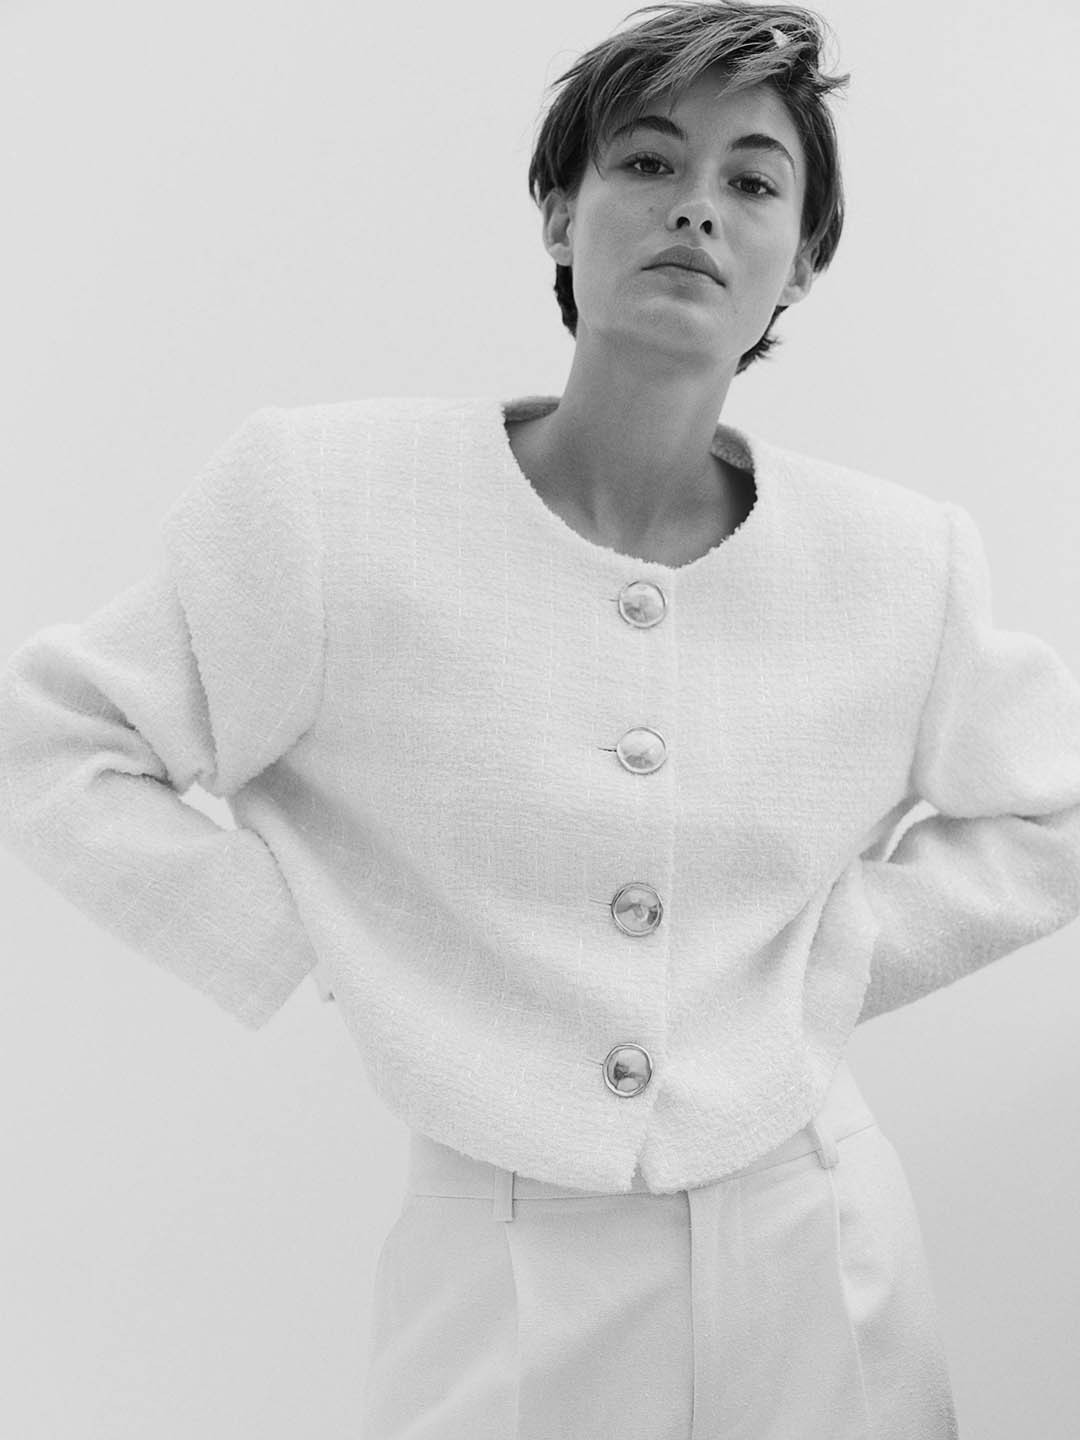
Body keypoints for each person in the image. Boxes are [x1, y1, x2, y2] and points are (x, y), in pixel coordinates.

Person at [1, 3, 1078, 1436]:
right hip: (502, 1248)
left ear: (804, 260)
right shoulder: (330, 500)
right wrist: (338, 942)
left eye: (754, 182)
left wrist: (845, 952)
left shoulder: (895, 563)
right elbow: (55, 741)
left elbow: (1053, 804)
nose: (697, 206)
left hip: (814, 1224)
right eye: (648, 162)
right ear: (562, 215)